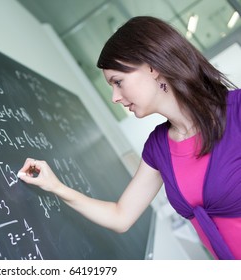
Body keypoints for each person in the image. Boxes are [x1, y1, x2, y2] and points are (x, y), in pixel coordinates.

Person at [18, 16, 241, 260]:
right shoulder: (159, 148)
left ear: (152, 67)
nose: (115, 96)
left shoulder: (237, 110)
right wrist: (55, 187)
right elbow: (121, 216)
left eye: (118, 82)